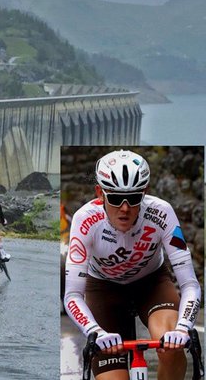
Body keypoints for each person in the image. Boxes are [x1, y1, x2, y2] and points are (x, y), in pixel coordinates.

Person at [64, 150, 200, 380]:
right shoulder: (84, 220)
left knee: (171, 346)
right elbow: (72, 295)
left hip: (152, 284)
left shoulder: (161, 212)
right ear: (100, 193)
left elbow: (189, 284)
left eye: (134, 197)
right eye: (116, 198)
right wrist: (95, 331)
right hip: (103, 289)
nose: (125, 208)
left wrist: (183, 327)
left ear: (145, 193)